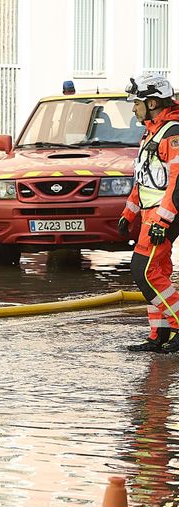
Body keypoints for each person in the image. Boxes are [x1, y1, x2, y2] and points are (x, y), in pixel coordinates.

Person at [117, 75, 179, 352]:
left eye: (137, 103)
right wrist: (128, 213)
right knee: (157, 272)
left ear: (152, 103)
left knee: (143, 271)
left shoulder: (172, 134)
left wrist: (163, 221)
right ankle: (160, 334)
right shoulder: (151, 133)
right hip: (150, 214)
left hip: (163, 215)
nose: (133, 109)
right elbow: (143, 180)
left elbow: (177, 183)